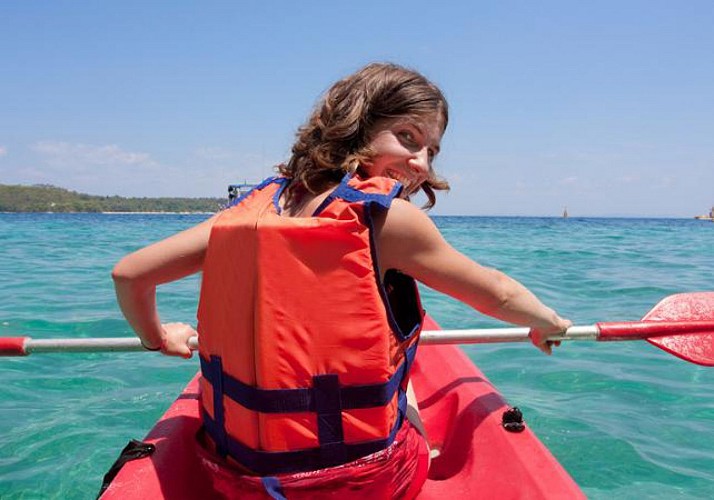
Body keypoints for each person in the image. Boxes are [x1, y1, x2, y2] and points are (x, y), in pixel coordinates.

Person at [112, 62, 571, 499]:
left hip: (237, 481)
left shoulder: (245, 215)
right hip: (361, 485)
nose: (421, 164)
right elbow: (498, 293)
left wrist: (157, 337)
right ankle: (410, 439)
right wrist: (545, 321)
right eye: (408, 137)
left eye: (431, 150)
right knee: (403, 377)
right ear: (356, 124)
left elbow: (130, 275)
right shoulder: (390, 220)